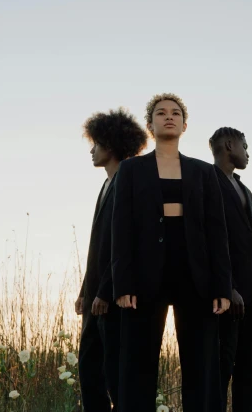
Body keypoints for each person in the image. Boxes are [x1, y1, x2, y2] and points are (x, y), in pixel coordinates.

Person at [111, 93, 232, 412]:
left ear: (185, 124)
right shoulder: (131, 169)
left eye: (176, 113)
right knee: (137, 364)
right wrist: (122, 285)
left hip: (196, 274)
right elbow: (120, 230)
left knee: (201, 364)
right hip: (143, 276)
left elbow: (218, 232)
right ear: (150, 124)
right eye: (161, 113)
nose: (169, 116)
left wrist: (222, 287)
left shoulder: (204, 172)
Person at [75, 107, 148, 412]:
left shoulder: (126, 184)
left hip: (114, 296)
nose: (92, 150)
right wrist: (84, 291)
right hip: (95, 296)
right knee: (89, 369)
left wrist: (105, 290)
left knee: (115, 375)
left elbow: (126, 245)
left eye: (96, 144)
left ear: (111, 144)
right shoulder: (106, 185)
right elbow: (99, 247)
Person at [209, 127, 252, 412]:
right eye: (245, 147)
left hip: (251, 296)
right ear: (229, 145)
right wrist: (226, 288)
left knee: (248, 372)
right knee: (219, 371)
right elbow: (208, 240)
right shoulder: (206, 181)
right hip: (224, 300)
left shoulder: (245, 190)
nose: (248, 153)